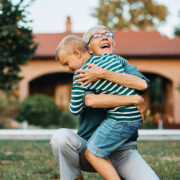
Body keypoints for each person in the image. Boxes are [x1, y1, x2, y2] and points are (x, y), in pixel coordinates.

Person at [50, 25, 159, 180]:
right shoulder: (85, 72)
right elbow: (91, 100)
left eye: (108, 34)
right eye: (98, 35)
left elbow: (142, 84)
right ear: (88, 48)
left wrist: (103, 74)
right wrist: (134, 99)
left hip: (122, 151)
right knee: (61, 137)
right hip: (88, 148)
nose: (105, 37)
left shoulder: (119, 62)